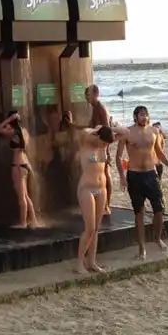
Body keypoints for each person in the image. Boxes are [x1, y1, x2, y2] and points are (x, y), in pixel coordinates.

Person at [66, 113, 128, 274]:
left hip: (101, 188)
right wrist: (98, 129)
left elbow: (125, 132)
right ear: (97, 136)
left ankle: (91, 261)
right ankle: (79, 263)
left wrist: (109, 129)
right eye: (103, 142)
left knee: (96, 229)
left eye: (107, 144)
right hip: (87, 188)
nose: (104, 146)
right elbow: (84, 132)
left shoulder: (104, 142)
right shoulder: (86, 140)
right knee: (89, 228)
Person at [115, 106, 168, 260]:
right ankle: (142, 248)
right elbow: (119, 157)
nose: (145, 117)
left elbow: (159, 152)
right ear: (136, 117)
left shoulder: (154, 131)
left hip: (151, 174)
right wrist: (122, 176)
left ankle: (157, 238)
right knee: (139, 213)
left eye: (146, 115)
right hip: (134, 175)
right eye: (141, 115)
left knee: (159, 209)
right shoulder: (127, 133)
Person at [0, 111, 38, 229]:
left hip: (18, 165)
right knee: (26, 195)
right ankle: (33, 220)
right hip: (25, 163)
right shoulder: (24, 132)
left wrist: (8, 120)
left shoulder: (14, 132)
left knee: (21, 196)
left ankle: (23, 223)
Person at [84, 85, 113, 216]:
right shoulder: (95, 108)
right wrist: (73, 125)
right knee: (98, 175)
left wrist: (107, 151)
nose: (86, 98)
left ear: (96, 94)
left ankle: (107, 206)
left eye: (88, 95)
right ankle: (102, 204)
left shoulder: (100, 108)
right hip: (96, 146)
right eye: (85, 95)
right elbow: (90, 127)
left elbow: (107, 131)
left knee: (104, 174)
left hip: (102, 147)